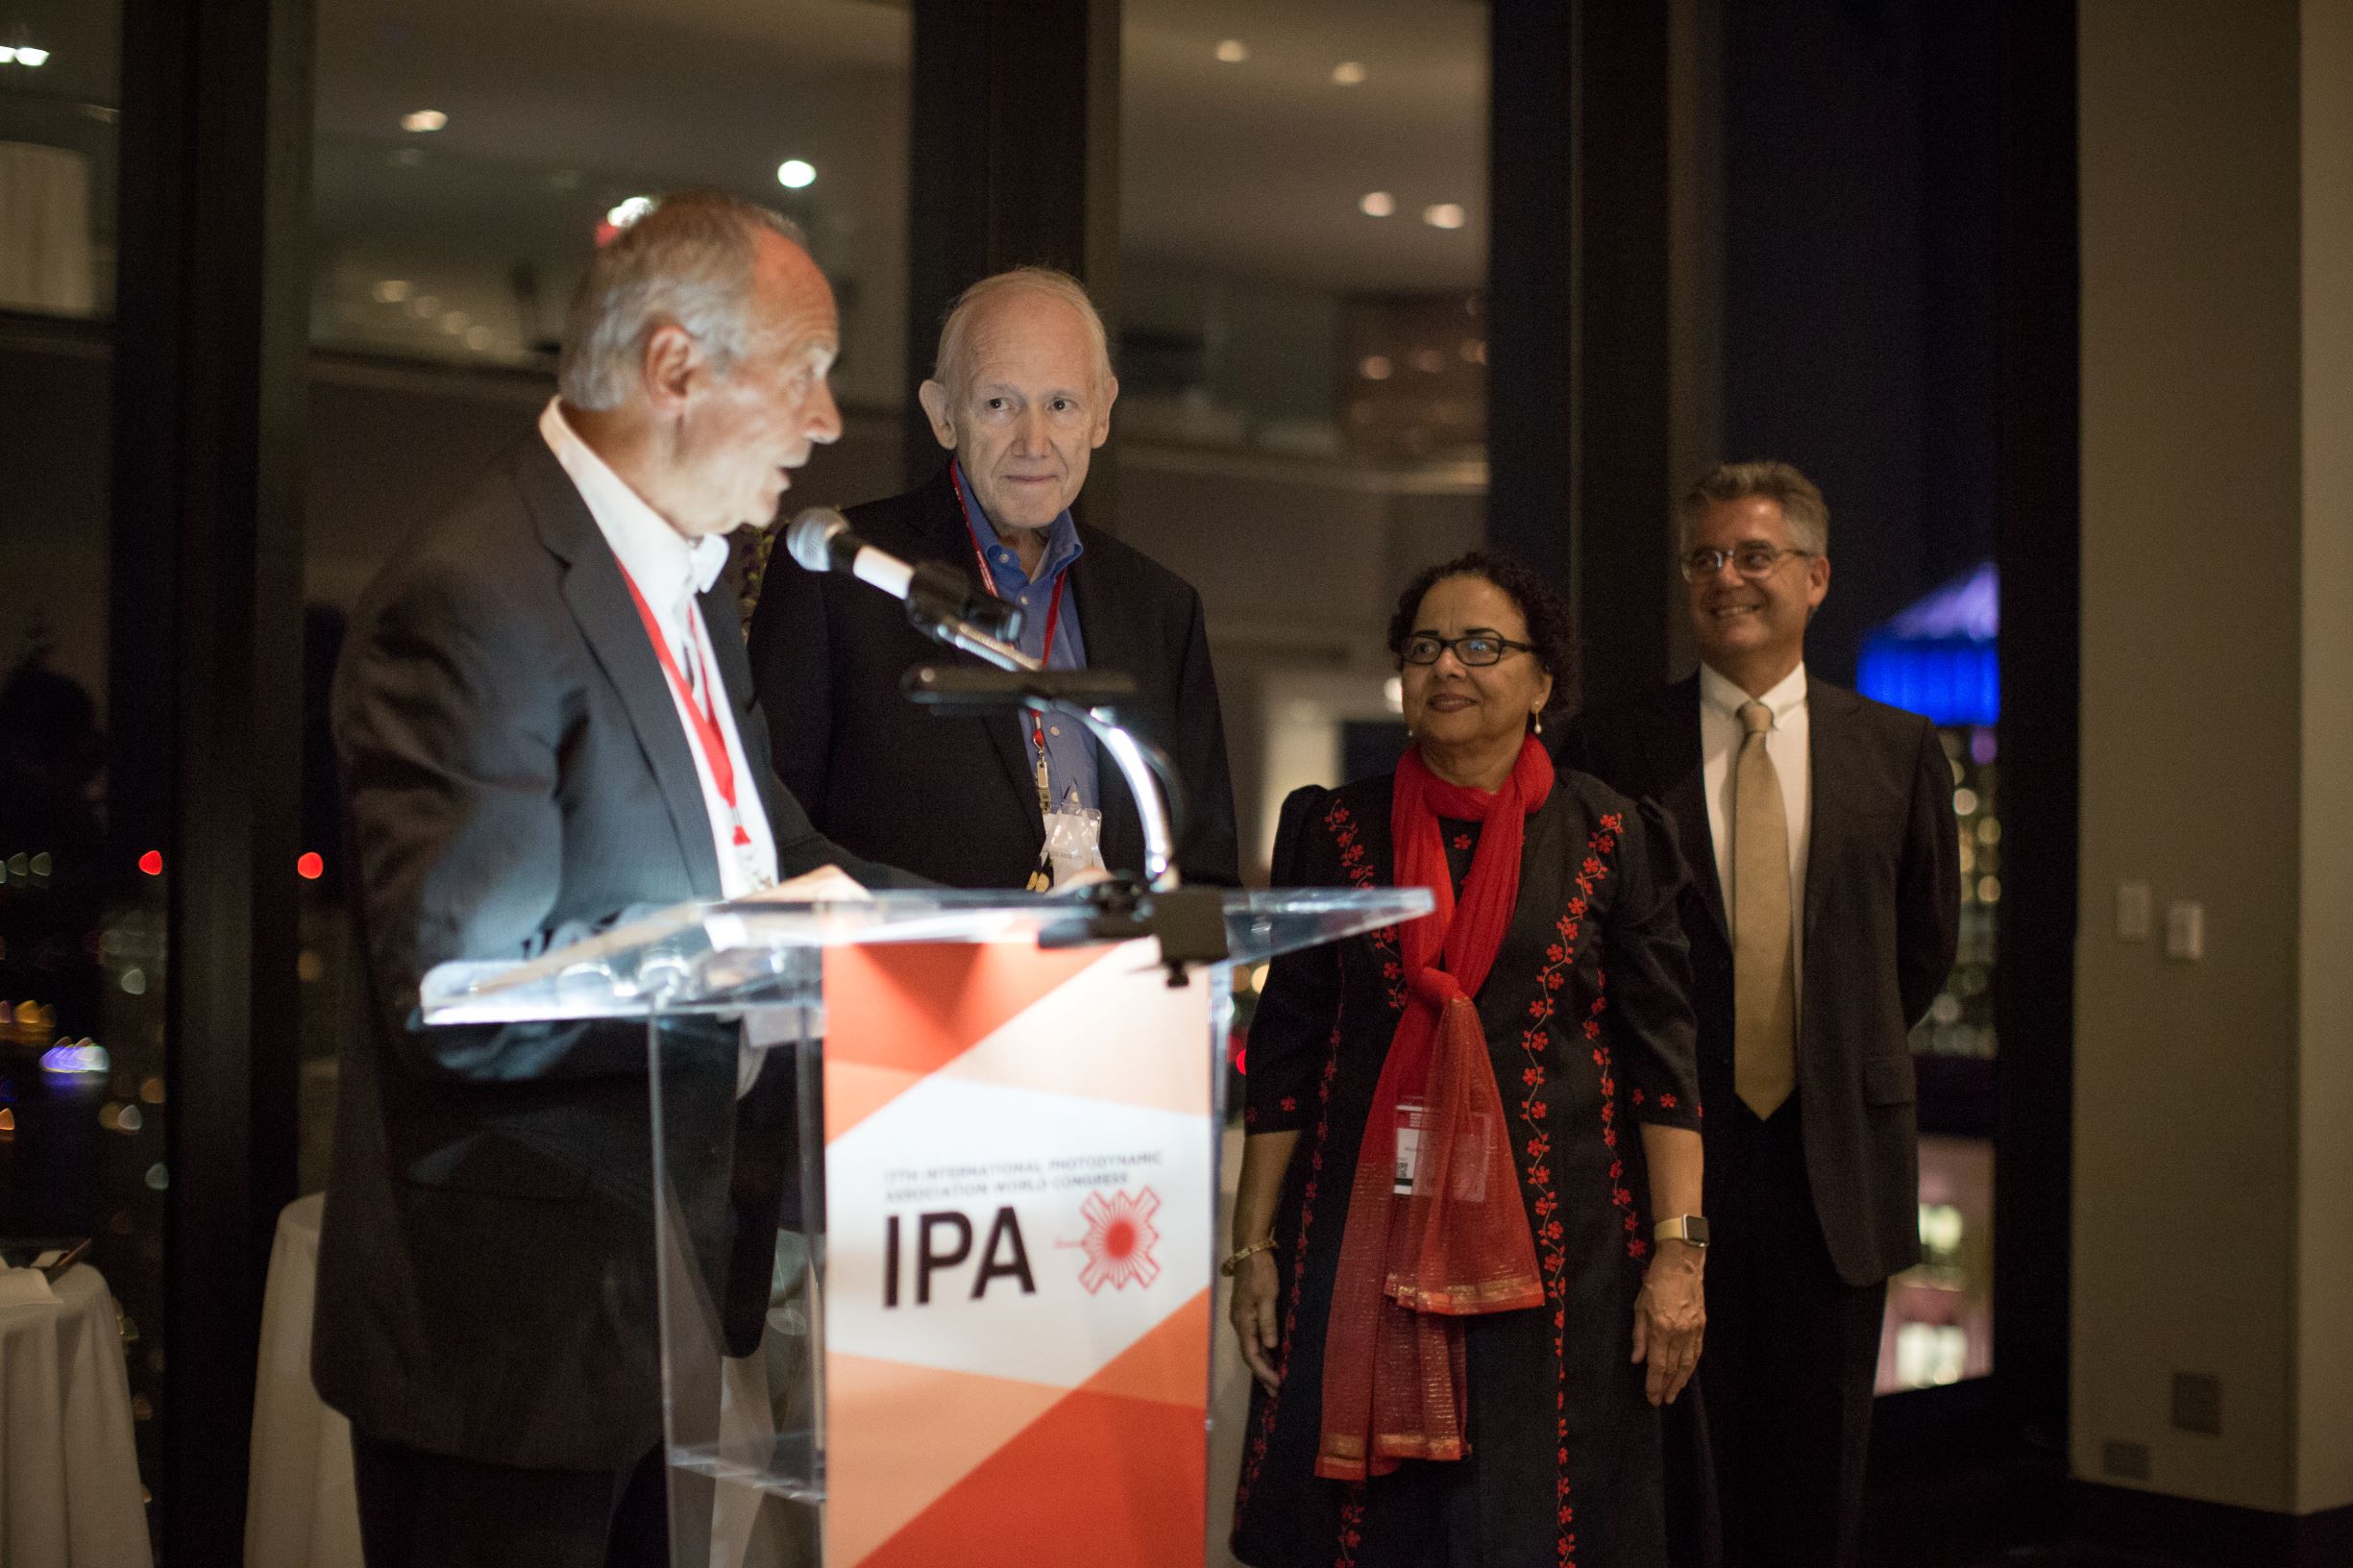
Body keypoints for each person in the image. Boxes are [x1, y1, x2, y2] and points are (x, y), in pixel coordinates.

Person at [312, 190, 919, 1568]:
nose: (829, 424)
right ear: (675, 368)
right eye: (807, 372)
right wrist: (754, 963)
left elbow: (777, 854)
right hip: (508, 1353)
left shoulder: (693, 582)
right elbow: (466, 998)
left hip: (665, 1300)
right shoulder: (474, 597)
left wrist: (1004, 936)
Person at [1227, 551, 1706, 1567]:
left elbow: (1662, 1061)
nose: (1449, 666)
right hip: (1355, 1244)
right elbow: (1285, 1058)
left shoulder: (1609, 835)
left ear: (1540, 683)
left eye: (1482, 645)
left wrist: (1679, 1253)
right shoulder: (1333, 830)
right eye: (1426, 646)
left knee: (1536, 1518)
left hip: (1562, 1259)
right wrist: (1250, 1250)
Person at [1559, 461, 1960, 1567]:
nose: (1725, 578)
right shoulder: (1610, 751)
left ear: (1816, 578)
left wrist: (1831, 1046)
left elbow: (1921, 952)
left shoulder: (1897, 750)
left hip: (1837, 1166)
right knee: (1668, 1469)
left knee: (1815, 1482)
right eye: (1704, 559)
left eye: (1753, 556)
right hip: (1667, 1169)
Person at [747, 267, 1238, 890]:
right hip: (911, 978)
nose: (1033, 442)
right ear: (944, 414)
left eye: (1060, 405)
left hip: (1117, 981)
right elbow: (769, 838)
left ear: (1101, 414)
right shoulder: (840, 575)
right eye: (999, 404)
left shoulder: (1162, 610)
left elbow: (1205, 872)